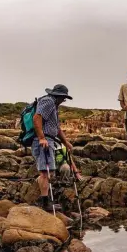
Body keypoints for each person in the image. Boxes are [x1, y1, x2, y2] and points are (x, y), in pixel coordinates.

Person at [32, 84, 76, 212]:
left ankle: (44, 200)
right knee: (45, 173)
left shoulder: (54, 106)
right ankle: (45, 203)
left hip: (49, 140)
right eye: (64, 98)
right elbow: (37, 117)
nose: (64, 101)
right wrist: (41, 137)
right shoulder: (48, 101)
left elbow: (56, 128)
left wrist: (66, 142)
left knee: (48, 172)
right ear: (59, 96)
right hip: (44, 141)